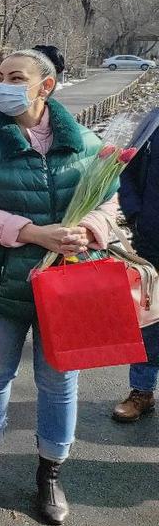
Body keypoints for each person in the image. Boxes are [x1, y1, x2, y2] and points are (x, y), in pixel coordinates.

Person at [0, 49, 117, 525]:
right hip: (2, 284)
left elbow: (108, 199)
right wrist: (32, 233)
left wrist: (90, 228)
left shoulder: (84, 143)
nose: (3, 85)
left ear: (47, 86)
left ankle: (50, 471)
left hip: (68, 287)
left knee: (60, 382)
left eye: (16, 77)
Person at [114, 107, 159, 422]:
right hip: (152, 240)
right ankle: (141, 390)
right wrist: (136, 214)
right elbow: (128, 171)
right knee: (149, 317)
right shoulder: (155, 121)